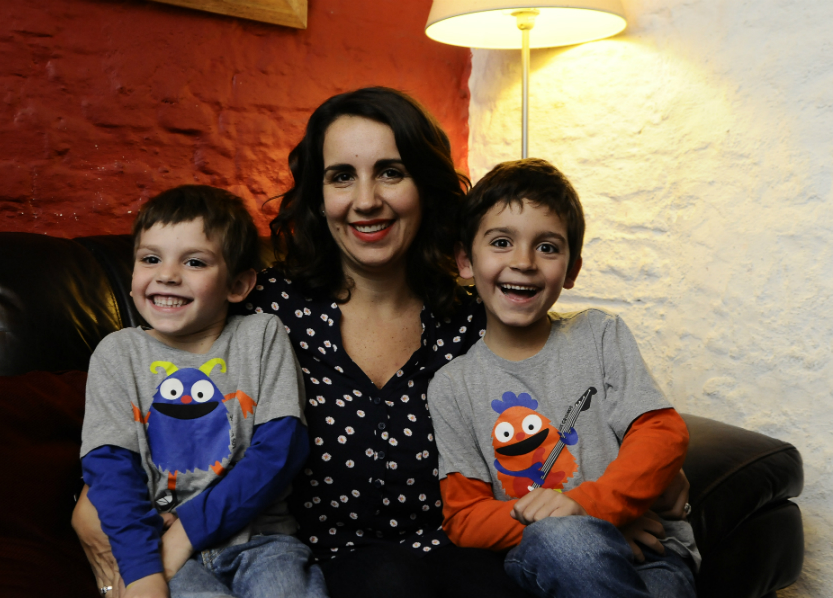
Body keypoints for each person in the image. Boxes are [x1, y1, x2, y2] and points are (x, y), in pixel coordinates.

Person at [73, 88, 688, 598]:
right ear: (319, 194)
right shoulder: (261, 310)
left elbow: (578, 404)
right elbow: (157, 401)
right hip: (323, 564)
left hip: (468, 553)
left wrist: (597, 519)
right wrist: (91, 505)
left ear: (424, 185)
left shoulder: (481, 318)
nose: (366, 200)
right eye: (343, 176)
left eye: (389, 172)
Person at [426, 158, 700, 598]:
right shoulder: (452, 387)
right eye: (501, 242)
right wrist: (581, 525)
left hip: (650, 555)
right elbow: (466, 519)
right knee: (564, 541)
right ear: (465, 261)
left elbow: (661, 432)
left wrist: (589, 507)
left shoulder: (600, 334)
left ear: (571, 269)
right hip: (542, 555)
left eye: (548, 248)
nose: (524, 262)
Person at [80, 185, 328, 598]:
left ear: (238, 285)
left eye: (194, 261)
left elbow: (280, 451)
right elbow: (111, 471)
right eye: (151, 259)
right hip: (160, 547)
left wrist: (191, 530)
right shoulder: (117, 354)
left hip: (262, 542)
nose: (167, 275)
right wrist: (142, 574)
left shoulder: (261, 336)